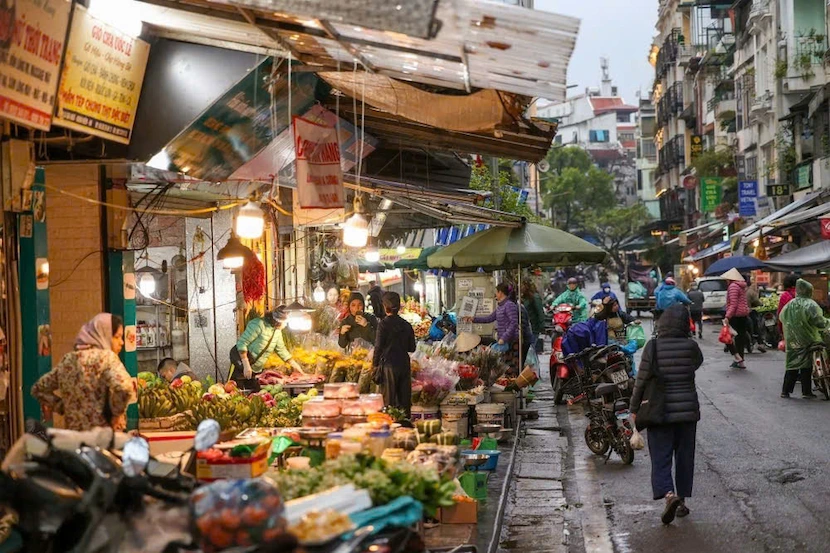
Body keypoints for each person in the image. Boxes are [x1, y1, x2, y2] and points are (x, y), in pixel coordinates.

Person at [629, 304, 703, 525]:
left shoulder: (653, 347)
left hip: (659, 411)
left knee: (660, 457)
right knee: (684, 457)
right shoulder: (691, 346)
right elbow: (696, 364)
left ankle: (669, 495)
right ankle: (681, 499)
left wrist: (633, 409)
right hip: (687, 412)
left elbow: (641, 380)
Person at [32, 313, 135, 431]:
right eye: (117, 337)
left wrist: (62, 406)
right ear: (104, 335)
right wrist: (117, 413)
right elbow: (125, 387)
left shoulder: (69, 360)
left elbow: (39, 389)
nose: (121, 342)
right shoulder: (106, 358)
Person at [779, 279, 827, 399]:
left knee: (792, 365)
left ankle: (785, 391)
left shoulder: (789, 305)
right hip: (809, 339)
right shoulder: (811, 304)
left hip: (792, 341)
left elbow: (781, 318)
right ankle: (806, 391)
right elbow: (819, 322)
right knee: (807, 365)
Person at [464, 283, 524, 374]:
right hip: (503, 341)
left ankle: (515, 385)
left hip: (512, 341)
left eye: (496, 292)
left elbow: (514, 323)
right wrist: (473, 319)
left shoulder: (509, 305)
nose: (495, 294)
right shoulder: (500, 306)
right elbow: (489, 318)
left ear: (500, 293)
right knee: (504, 366)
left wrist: (504, 338)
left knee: (512, 367)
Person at [373, 292, 416, 413]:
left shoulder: (383, 325)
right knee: (404, 401)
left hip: (388, 366)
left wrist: (375, 365)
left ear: (385, 306)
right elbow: (412, 348)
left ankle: (391, 427)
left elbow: (378, 347)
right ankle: (405, 426)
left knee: (389, 402)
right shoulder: (406, 325)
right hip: (404, 364)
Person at [233, 307, 304, 379]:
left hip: (257, 370)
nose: (286, 325)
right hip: (241, 366)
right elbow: (242, 343)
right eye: (285, 322)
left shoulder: (277, 332)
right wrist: (246, 364)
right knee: (237, 388)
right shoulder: (258, 324)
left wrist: (295, 365)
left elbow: (281, 350)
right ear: (278, 321)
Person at [723, 268, 750, 369]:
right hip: (743, 315)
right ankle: (740, 362)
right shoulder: (741, 286)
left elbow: (733, 304)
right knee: (740, 339)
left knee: (726, 337)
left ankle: (737, 357)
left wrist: (727, 316)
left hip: (735, 315)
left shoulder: (733, 286)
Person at [521, 281, 546, 354]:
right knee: (530, 350)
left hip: (534, 327)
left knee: (531, 349)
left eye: (522, 286)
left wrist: (542, 326)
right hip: (527, 328)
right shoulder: (525, 298)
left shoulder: (535, 297)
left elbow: (540, 312)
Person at [745, 275, 766, 353]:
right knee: (756, 325)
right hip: (747, 312)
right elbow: (757, 302)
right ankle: (760, 343)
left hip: (734, 314)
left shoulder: (733, 289)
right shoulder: (750, 292)